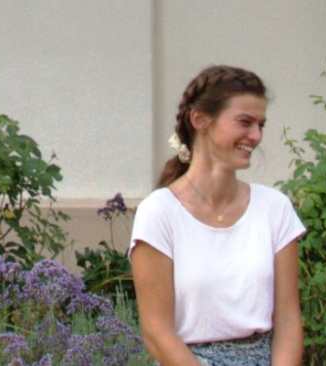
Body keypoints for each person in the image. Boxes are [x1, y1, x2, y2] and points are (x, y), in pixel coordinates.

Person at [132, 65, 307, 365]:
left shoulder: (275, 209)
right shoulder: (159, 213)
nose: (255, 136)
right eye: (244, 122)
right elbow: (157, 333)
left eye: (261, 125)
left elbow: (289, 320)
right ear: (200, 120)